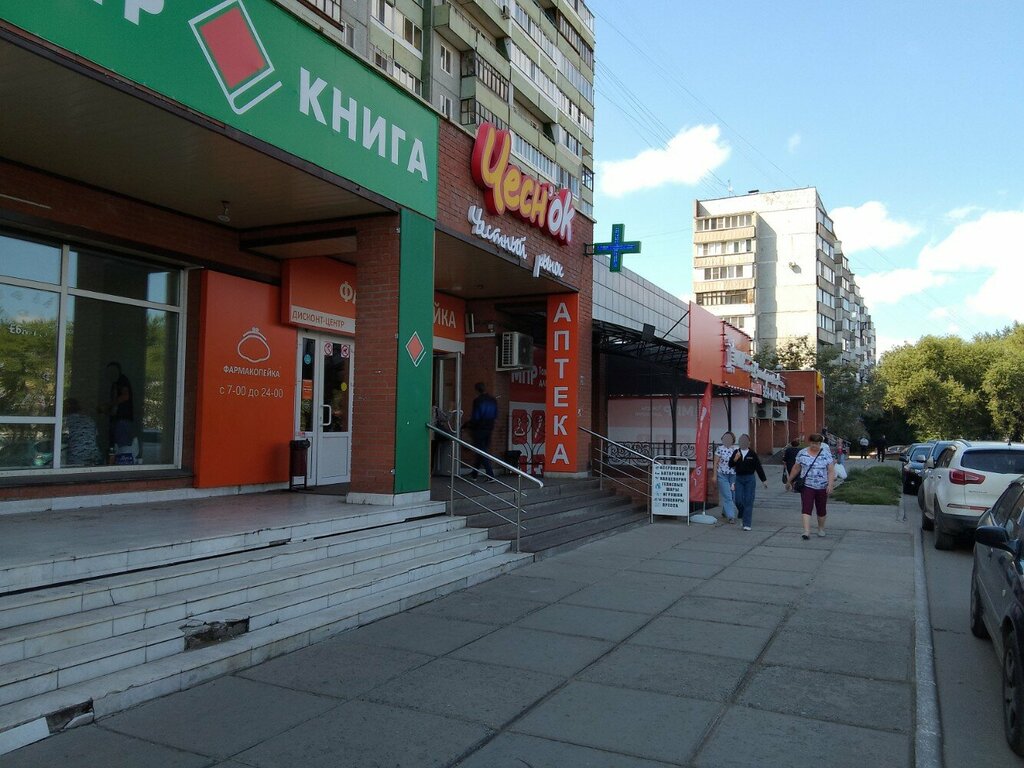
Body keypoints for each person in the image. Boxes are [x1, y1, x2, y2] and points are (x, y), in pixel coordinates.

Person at [786, 433, 836, 539]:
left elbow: (831, 471)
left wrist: (830, 484)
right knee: (806, 508)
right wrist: (789, 480)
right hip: (807, 486)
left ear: (820, 444)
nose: (814, 446)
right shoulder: (802, 453)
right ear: (809, 443)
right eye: (813, 443)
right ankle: (806, 531)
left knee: (821, 509)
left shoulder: (826, 454)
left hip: (822, 486)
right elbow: (796, 468)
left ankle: (821, 528)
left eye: (817, 444)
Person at [728, 434, 768, 531]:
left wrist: (763, 480)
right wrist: (735, 458)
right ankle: (742, 512)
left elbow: (758, 467)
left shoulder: (752, 454)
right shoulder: (736, 452)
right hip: (739, 478)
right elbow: (730, 464)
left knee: (748, 500)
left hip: (750, 478)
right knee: (738, 500)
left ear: (749, 442)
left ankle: (747, 524)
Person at [466, 382, 498, 480]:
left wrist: (469, 425)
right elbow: (496, 414)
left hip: (479, 429)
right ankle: (474, 474)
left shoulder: (478, 400)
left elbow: (476, 416)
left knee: (481, 451)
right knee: (481, 451)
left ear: (476, 390)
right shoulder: (493, 400)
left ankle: (490, 475)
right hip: (490, 427)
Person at [106, 361, 134, 450]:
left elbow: (125, 396)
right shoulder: (115, 384)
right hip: (117, 421)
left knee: (122, 449)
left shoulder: (122, 380)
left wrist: (109, 404)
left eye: (112, 371)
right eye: (109, 372)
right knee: (114, 449)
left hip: (122, 421)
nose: (110, 374)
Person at [711, 431, 738, 524]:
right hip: (722, 475)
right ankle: (731, 516)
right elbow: (715, 463)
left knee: (733, 495)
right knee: (727, 495)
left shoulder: (736, 449)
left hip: (733, 476)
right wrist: (714, 475)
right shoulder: (720, 449)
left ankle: (725, 511)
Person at [64, 398, 100, 466]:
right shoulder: (89, 420)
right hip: (94, 456)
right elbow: (95, 437)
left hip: (76, 457)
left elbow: (62, 441)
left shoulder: (65, 421)